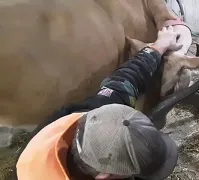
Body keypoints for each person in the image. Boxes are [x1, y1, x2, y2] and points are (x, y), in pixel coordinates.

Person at [16, 26, 183, 180]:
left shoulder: (89, 112)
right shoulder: (33, 174)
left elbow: (130, 75)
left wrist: (160, 45)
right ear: (105, 176)